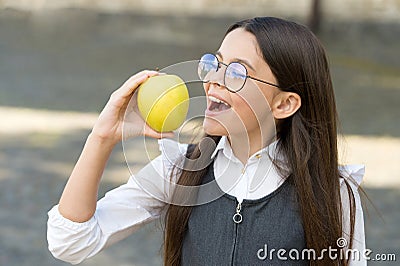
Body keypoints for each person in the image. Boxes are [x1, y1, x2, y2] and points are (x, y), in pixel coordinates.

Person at [47, 17, 366, 265]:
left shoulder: (333, 191)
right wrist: (103, 136)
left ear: (283, 104)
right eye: (215, 63)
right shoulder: (179, 171)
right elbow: (70, 242)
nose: (214, 79)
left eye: (238, 73)